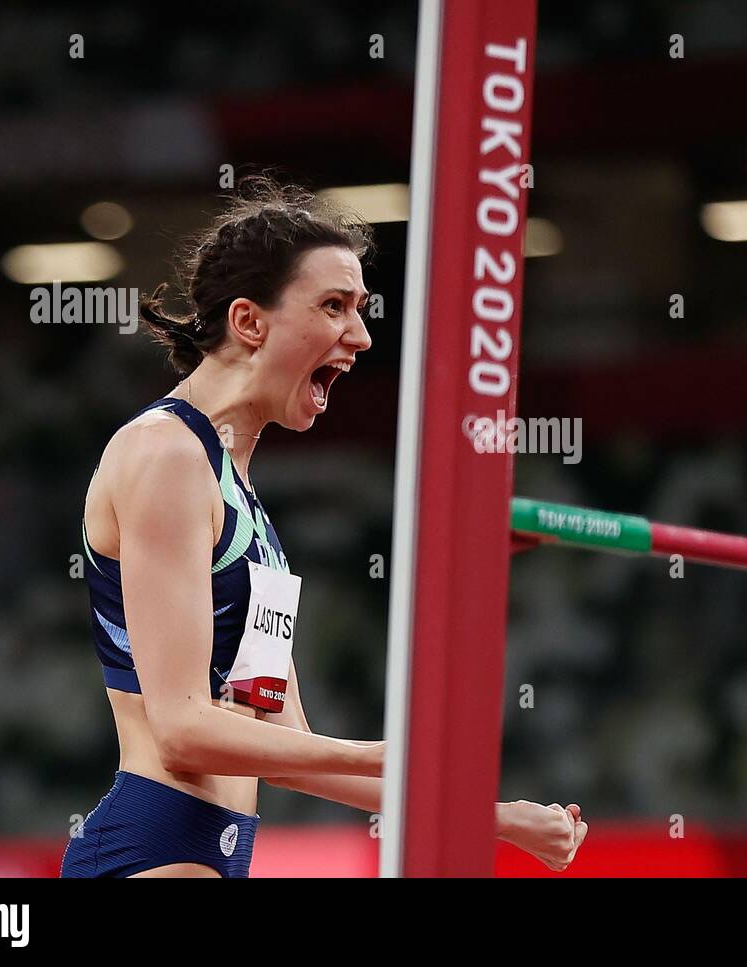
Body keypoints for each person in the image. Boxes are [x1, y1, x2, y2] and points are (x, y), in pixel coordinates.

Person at [60, 178, 586, 877]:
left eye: (361, 309)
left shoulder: (245, 505)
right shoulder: (165, 454)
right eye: (334, 306)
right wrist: (385, 751)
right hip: (148, 850)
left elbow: (286, 744)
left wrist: (490, 816)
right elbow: (183, 730)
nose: (362, 335)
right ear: (250, 321)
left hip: (211, 853)